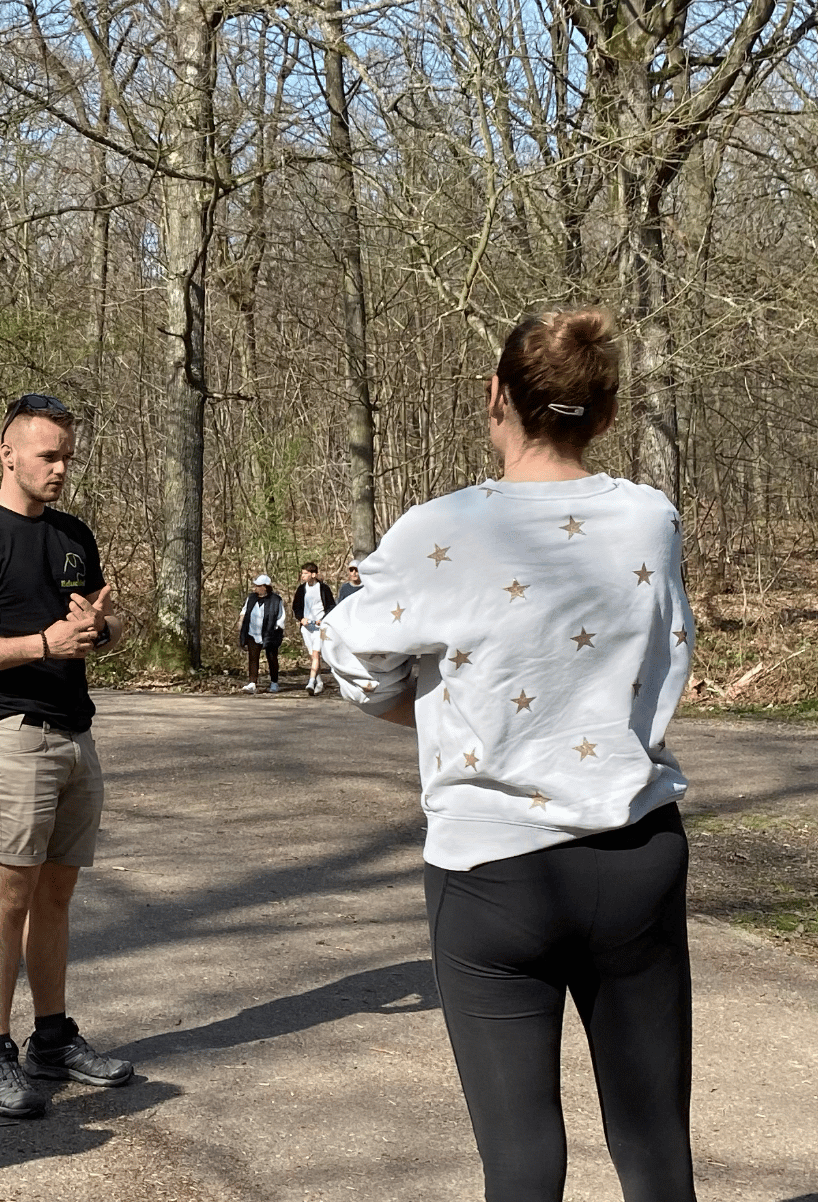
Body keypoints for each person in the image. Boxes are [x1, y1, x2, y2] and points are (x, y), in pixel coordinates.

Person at [322, 308, 696, 1202]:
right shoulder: (650, 518)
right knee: (654, 1148)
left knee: (521, 1161)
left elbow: (349, 654)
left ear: (495, 398)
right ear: (604, 413)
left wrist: (445, 715)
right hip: (635, 851)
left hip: (491, 870)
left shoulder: (438, 531)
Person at [0, 392, 133, 1119]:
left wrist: (100, 629)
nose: (59, 470)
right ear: (8, 452)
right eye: (48, 456)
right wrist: (43, 643)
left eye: (67, 459)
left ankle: (52, 1039)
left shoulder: (74, 536)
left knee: (57, 896)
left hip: (77, 735)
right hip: (14, 734)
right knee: (8, 896)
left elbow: (97, 629)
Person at [292, 562, 335, 695]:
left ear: (314, 574)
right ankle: (320, 682)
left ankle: (311, 682)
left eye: (306, 573)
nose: (303, 576)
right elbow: (296, 607)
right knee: (312, 656)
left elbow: (331, 606)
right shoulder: (301, 589)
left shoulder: (323, 589)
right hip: (306, 627)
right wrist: (301, 619)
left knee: (316, 654)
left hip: (320, 628)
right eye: (302, 573)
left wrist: (322, 620)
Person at [238, 574, 285, 693]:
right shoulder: (251, 598)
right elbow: (244, 611)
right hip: (252, 632)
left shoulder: (276, 600)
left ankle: (274, 683)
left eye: (258, 586)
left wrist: (277, 630)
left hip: (270, 633)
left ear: (265, 587)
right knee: (253, 658)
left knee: (272, 658)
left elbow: (280, 617)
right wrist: (241, 623)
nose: (255, 588)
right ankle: (252, 682)